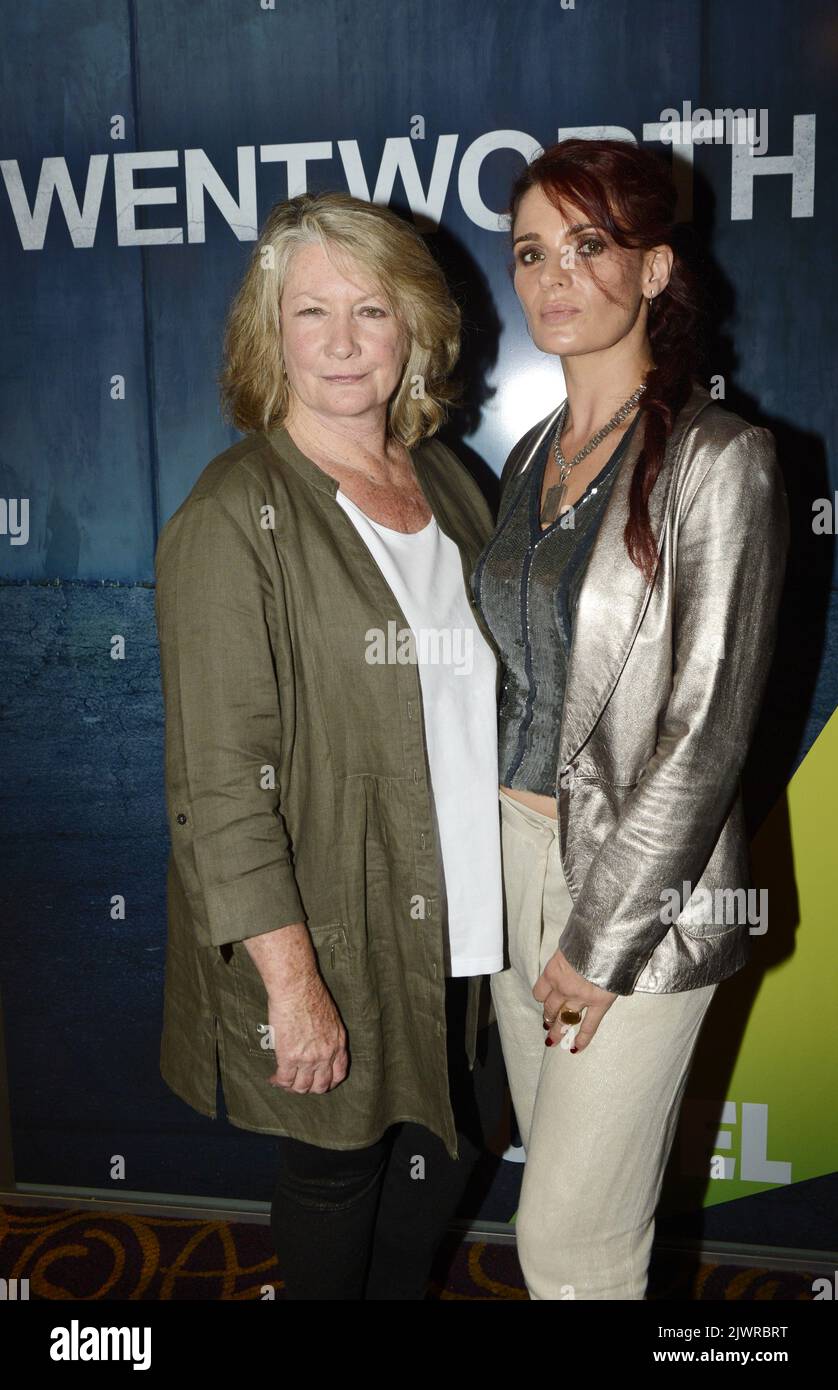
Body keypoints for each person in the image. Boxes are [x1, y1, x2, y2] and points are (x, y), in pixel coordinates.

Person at [154, 191, 507, 1299]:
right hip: (337, 911)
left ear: (414, 328)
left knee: (452, 1142)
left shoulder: (449, 481)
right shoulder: (233, 513)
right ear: (273, 335)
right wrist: (293, 985)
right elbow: (218, 786)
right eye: (312, 313)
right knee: (335, 1164)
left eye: (371, 308)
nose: (344, 341)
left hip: (466, 899)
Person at [471, 138, 789, 1300]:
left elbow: (706, 731)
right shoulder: (527, 459)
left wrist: (600, 939)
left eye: (589, 246)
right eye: (531, 252)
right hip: (514, 864)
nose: (554, 276)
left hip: (633, 893)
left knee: (573, 1244)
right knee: (554, 1211)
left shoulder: (720, 460)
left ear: (654, 270)